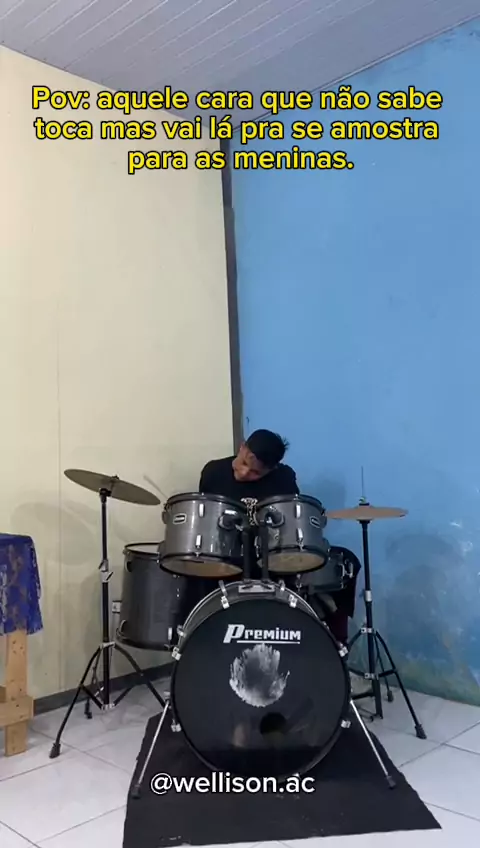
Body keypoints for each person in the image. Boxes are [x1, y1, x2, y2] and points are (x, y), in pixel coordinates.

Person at [199, 429, 299, 501]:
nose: (243, 473)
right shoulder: (213, 472)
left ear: (272, 469)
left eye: (255, 472)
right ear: (242, 447)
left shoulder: (284, 479)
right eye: (244, 463)